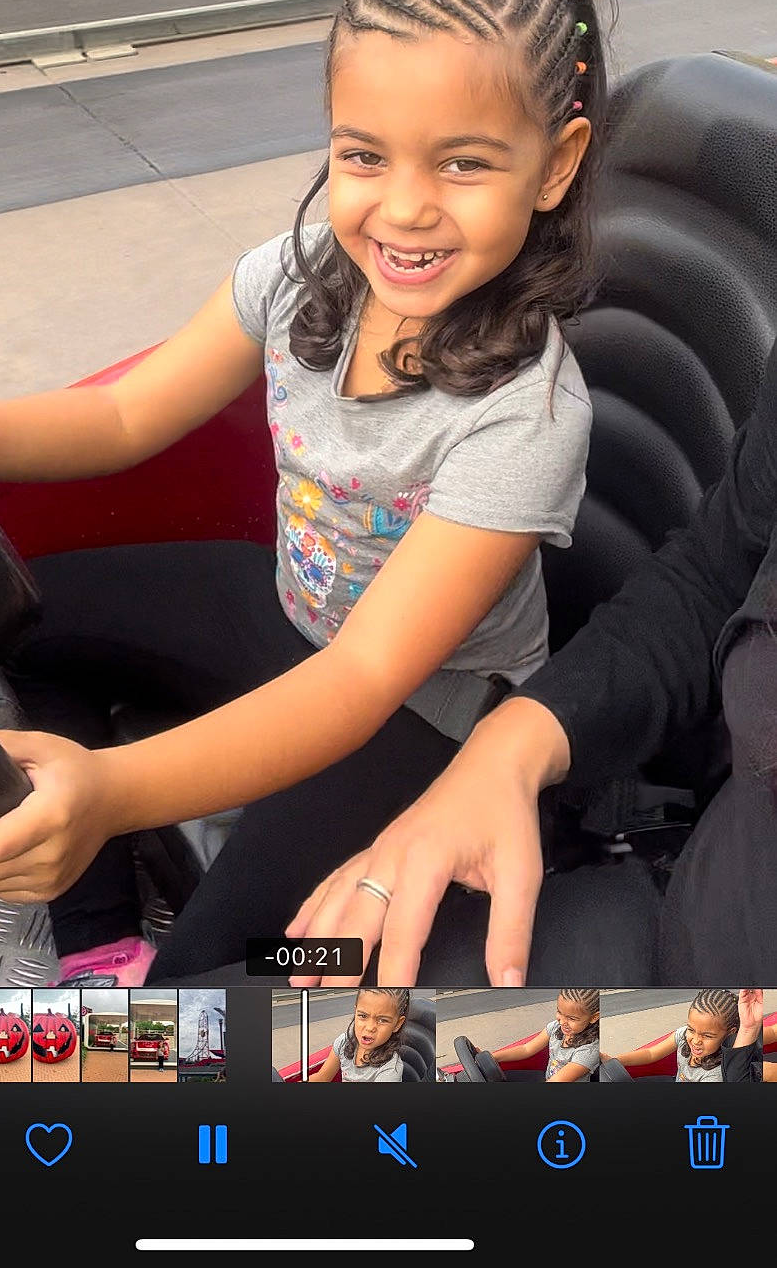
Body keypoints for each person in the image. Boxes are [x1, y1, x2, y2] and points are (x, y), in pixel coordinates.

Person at [0, 0, 605, 986]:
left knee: (231, 967)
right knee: (14, 614)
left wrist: (110, 785)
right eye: (363, 153)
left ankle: (181, 958)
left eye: (464, 162)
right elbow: (119, 421)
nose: (406, 206)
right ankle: (99, 932)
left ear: (553, 164)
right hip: (287, 604)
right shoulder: (296, 277)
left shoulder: (530, 414)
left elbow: (364, 674)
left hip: (426, 711)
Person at [287, 330, 777, 988]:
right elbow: (715, 574)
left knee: (169, 1048)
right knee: (200, 1009)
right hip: (679, 907)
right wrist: (509, 748)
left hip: (713, 1025)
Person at [602, 990, 762, 1083]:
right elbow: (652, 1053)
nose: (696, 1040)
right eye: (691, 1029)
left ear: (730, 1032)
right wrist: (615, 1060)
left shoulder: (716, 1073)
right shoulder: (684, 1035)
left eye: (707, 1035)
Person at [490, 988, 599, 1082]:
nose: (562, 1022)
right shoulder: (555, 1027)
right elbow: (526, 1049)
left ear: (594, 1017)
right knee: (501, 1077)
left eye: (571, 1018)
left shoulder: (588, 1051)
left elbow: (557, 1081)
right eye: (559, 1012)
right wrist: (493, 1057)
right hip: (547, 1077)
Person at [308, 987, 410, 1083]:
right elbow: (322, 1077)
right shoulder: (344, 1042)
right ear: (355, 1012)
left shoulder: (390, 1071)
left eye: (382, 1020)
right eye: (363, 1016)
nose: (370, 1028)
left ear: (397, 1024)